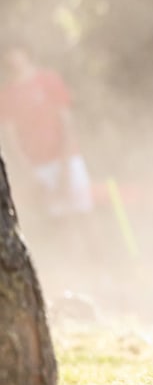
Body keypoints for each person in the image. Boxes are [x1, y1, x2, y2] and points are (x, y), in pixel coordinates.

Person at [0, 45, 98, 289]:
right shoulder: (7, 94)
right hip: (38, 165)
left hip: (67, 158)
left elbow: (65, 120)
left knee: (84, 213)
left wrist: (65, 163)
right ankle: (78, 274)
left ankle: (99, 266)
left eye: (16, 51)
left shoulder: (48, 80)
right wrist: (29, 171)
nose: (13, 58)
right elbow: (11, 137)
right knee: (61, 218)